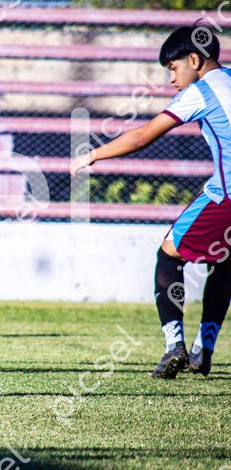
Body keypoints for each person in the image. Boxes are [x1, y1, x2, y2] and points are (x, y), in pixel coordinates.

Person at [71, 25, 231, 379]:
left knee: (169, 255)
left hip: (226, 197)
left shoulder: (201, 91)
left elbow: (143, 135)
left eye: (173, 68)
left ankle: (174, 345)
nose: (171, 79)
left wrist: (92, 155)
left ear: (194, 60)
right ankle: (203, 347)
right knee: (223, 262)